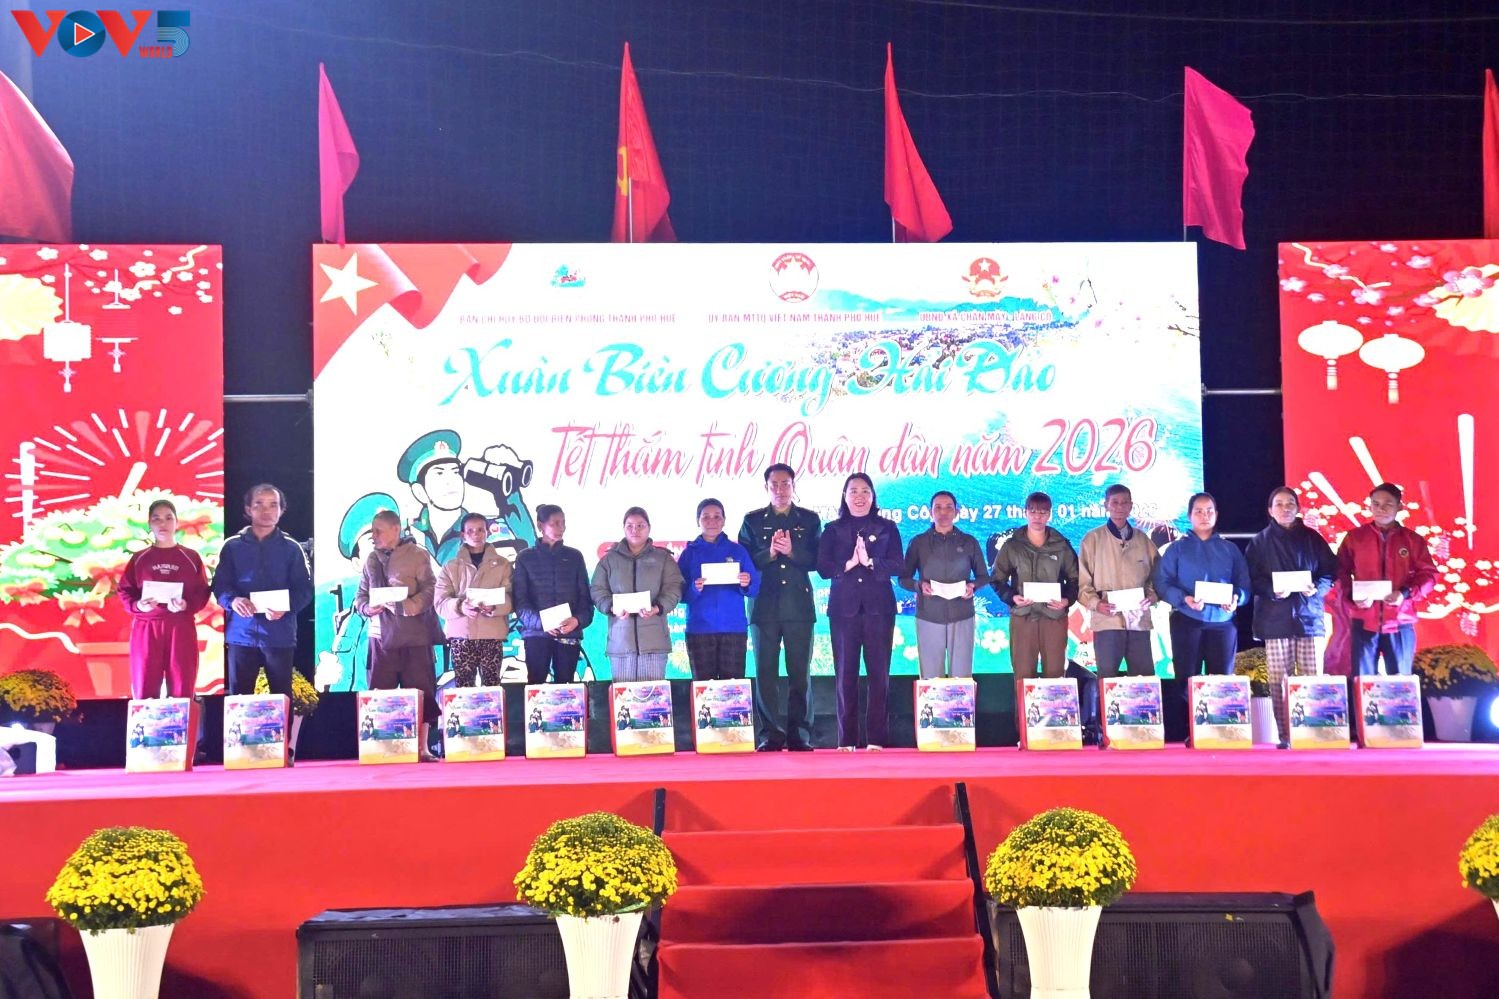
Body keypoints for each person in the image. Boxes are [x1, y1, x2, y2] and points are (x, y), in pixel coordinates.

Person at [738, 463, 822, 751]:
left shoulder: (809, 519)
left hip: (798, 606)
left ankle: (800, 736)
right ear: (766, 487)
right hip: (763, 606)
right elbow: (743, 562)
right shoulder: (752, 521)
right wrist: (771, 553)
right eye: (774, 484)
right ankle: (770, 736)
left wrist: (792, 552)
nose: (780, 489)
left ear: (793, 486)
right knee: (765, 673)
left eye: (785, 483)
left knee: (800, 674)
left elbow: (818, 561)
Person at [1245, 486, 1338, 746]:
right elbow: (1251, 579)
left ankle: (1313, 732)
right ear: (1270, 510)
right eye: (1279, 504)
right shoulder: (1260, 542)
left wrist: (1317, 588)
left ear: (1298, 508)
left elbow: (1330, 572)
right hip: (1274, 620)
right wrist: (1272, 591)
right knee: (1278, 682)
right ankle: (1285, 735)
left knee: (1312, 678)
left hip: (1309, 619)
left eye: (1290, 504)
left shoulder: (1313, 538)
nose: (1285, 508)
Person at [817, 473, 904, 751]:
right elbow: (823, 568)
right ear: (844, 496)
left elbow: (898, 565)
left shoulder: (887, 527)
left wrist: (869, 562)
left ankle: (877, 739)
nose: (859, 496)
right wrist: (850, 563)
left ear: (873, 496)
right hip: (844, 610)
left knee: (879, 676)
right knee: (845, 676)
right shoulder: (832, 529)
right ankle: (847, 741)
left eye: (865, 491)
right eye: (853, 491)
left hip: (879, 609)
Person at [355, 509, 444, 761]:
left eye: (378, 531)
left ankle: (423, 748)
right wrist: (367, 608)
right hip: (380, 636)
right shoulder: (371, 559)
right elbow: (360, 596)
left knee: (422, 691)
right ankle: (380, 747)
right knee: (379, 692)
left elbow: (431, 590)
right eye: (372, 531)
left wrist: (407, 606)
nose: (373, 536)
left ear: (396, 529)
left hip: (415, 636)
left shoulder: (417, 555)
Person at [1153, 492, 1251, 720]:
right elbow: (1162, 582)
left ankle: (1221, 728)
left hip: (1223, 624)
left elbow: (1245, 585)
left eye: (1209, 511)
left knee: (1222, 682)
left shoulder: (1230, 549)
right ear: (1189, 516)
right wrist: (1183, 599)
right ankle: (1188, 730)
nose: (1204, 515)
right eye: (1198, 511)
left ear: (1216, 514)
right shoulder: (1176, 549)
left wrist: (1237, 598)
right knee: (1186, 681)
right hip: (1186, 621)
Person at [212, 483, 314, 697]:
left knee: (281, 697)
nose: (267, 510)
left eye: (273, 505)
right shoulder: (232, 546)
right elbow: (220, 585)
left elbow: (304, 589)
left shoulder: (292, 548)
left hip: (279, 634)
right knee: (239, 700)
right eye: (259, 504)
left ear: (282, 510)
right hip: (241, 633)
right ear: (248, 509)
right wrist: (233, 601)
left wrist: (286, 607)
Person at [1335, 482, 1438, 675]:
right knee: (1363, 682)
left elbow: (1429, 575)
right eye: (1376, 504)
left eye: (1388, 504)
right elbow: (1340, 571)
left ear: (1400, 507)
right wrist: (1352, 597)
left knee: (1401, 683)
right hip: (1364, 620)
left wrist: (1404, 593)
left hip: (1400, 620)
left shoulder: (1412, 540)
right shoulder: (1355, 538)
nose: (1381, 509)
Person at [118, 499, 212, 699]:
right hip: (147, 627)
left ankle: (182, 721)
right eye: (157, 519)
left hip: (180, 627)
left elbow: (202, 591)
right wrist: (138, 606)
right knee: (144, 688)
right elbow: (125, 591)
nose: (163, 523)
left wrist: (187, 605)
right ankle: (145, 721)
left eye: (169, 518)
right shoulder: (140, 558)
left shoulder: (190, 557)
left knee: (182, 687)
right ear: (149, 524)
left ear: (177, 522)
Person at [991, 492, 1080, 690]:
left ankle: (1055, 710)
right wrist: (1012, 597)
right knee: (1023, 676)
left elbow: (1076, 579)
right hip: (1023, 616)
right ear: (1025, 513)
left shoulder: (1061, 545)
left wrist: (1067, 600)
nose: (1037, 517)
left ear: (1049, 514)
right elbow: (997, 579)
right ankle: (1022, 712)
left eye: (1042, 512)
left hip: (1054, 617)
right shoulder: (1012, 545)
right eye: (1033, 512)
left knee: (1055, 675)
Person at [899, 490, 989, 679]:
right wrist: (919, 586)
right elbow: (903, 578)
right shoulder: (919, 542)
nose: (943, 512)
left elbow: (983, 576)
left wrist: (972, 586)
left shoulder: (969, 542)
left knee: (962, 677)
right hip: (929, 615)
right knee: (931, 677)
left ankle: (960, 701)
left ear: (957, 511)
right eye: (938, 507)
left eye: (949, 507)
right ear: (930, 512)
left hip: (962, 614)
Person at [591, 507, 684, 682]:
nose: (635, 530)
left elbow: (674, 587)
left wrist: (658, 608)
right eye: (630, 526)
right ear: (623, 528)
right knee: (623, 697)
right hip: (620, 643)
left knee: (653, 697)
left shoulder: (663, 558)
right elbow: (597, 590)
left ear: (649, 528)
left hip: (654, 642)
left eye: (640, 525)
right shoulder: (609, 560)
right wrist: (611, 607)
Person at [1078, 484, 1160, 677]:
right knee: (1107, 677)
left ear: (1131, 506)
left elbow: (1158, 576)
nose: (1120, 507)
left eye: (1124, 502)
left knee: (1143, 678)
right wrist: (1096, 604)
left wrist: (1152, 595)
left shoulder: (1143, 540)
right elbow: (1082, 583)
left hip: (1138, 620)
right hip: (1107, 620)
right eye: (1114, 502)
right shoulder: (1092, 539)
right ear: (1106, 505)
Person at [678, 498, 761, 680]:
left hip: (733, 628)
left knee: (733, 689)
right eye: (706, 517)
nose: (712, 521)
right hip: (699, 628)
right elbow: (678, 594)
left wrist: (746, 583)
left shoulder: (738, 551)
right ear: (697, 521)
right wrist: (693, 588)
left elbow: (754, 589)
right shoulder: (689, 553)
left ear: (724, 520)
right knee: (703, 689)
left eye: (717, 516)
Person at [512, 504, 593, 684]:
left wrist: (577, 620)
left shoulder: (575, 556)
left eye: (563, 523)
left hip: (569, 633)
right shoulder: (525, 557)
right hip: (536, 635)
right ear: (540, 526)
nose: (560, 528)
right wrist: (542, 623)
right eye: (555, 523)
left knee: (566, 687)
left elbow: (585, 599)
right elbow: (520, 602)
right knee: (536, 685)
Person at [435, 512, 514, 687]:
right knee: (464, 689)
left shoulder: (503, 565)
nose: (476, 535)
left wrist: (495, 607)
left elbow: (511, 598)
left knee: (492, 687)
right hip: (461, 636)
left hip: (492, 635)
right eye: (470, 531)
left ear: (488, 532)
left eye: (480, 530)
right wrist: (460, 606)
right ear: (463, 535)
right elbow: (440, 603)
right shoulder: (451, 567)